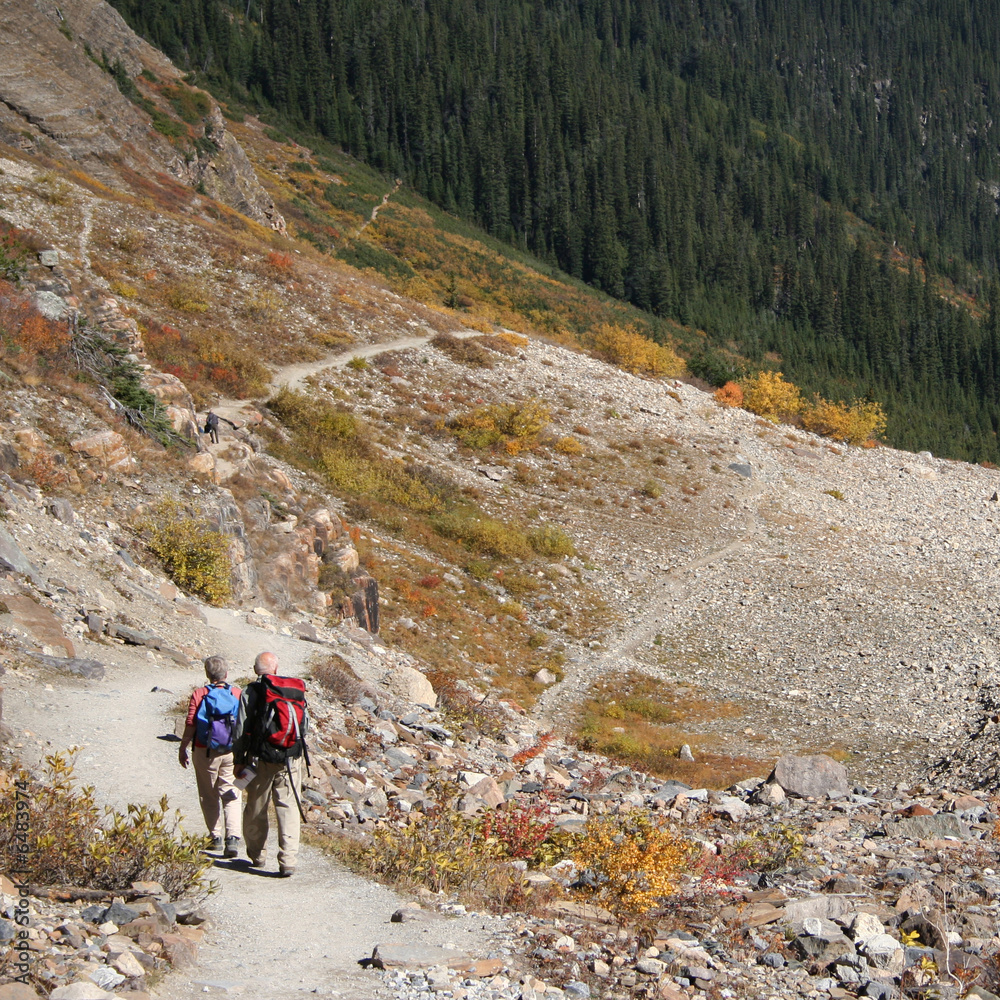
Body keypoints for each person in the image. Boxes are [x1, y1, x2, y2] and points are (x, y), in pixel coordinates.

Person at [233, 651, 309, 877]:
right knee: (288, 806)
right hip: (290, 758)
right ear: (275, 668)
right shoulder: (294, 691)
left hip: (260, 758)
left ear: (256, 670)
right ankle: (288, 859)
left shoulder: (250, 692)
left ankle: (258, 855)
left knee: (257, 806)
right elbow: (304, 727)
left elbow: (240, 729)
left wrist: (238, 760)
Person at [178, 656, 242, 857]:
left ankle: (215, 837)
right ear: (226, 674)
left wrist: (183, 747)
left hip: (204, 750)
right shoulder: (237, 693)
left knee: (208, 794)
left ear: (208, 674)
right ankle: (233, 838)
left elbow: (191, 722)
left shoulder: (200, 693)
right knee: (231, 793)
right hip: (231, 751)